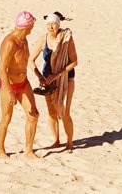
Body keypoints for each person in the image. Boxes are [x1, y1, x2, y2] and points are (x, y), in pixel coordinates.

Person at [29, 12, 78, 152]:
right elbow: (30, 61)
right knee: (51, 111)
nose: (50, 26)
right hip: (47, 79)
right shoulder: (42, 39)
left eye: (53, 24)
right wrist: (39, 76)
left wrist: (56, 75)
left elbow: (74, 61)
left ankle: (69, 143)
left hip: (66, 78)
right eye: (48, 24)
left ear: (58, 24)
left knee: (65, 112)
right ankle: (56, 140)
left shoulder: (66, 38)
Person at [0, 11, 40, 159]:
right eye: (32, 25)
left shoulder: (24, 40)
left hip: (23, 83)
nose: (33, 27)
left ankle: (28, 150)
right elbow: (1, 70)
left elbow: (23, 63)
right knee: (6, 118)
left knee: (33, 115)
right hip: (8, 85)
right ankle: (0, 150)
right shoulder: (10, 43)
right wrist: (10, 92)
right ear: (26, 27)